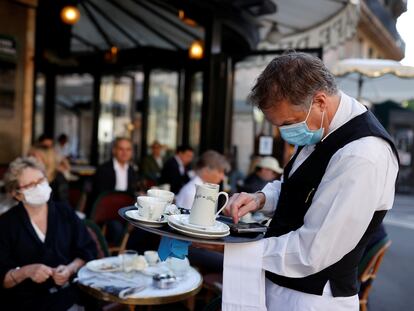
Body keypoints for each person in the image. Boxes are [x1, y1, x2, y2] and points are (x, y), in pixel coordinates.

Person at [225, 52, 399, 310]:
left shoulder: (362, 156)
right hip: (279, 282)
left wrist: (233, 250)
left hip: (313, 300)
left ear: (319, 101)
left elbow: (313, 250)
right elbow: (297, 184)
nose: (285, 134)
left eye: (288, 123)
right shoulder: (318, 126)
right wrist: (260, 198)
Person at [0, 157, 97, 310]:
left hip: (69, 294)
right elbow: (3, 279)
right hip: (26, 301)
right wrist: (26, 271)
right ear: (17, 194)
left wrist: (70, 269)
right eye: (31, 185)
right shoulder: (6, 224)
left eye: (41, 180)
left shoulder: (64, 212)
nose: (38, 187)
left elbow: (87, 250)